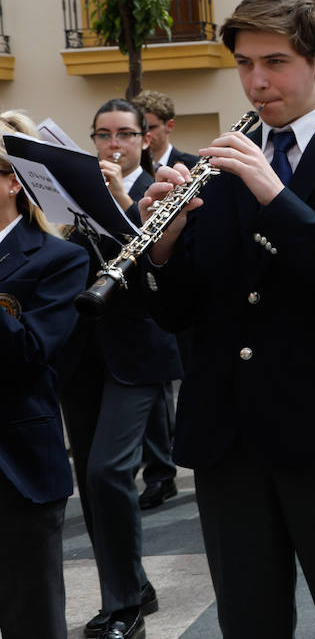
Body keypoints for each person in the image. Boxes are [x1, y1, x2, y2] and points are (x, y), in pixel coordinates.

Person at [138, 0, 315, 637]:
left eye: (275, 63)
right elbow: (179, 315)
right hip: (230, 440)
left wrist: (275, 194)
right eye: (244, 64)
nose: (257, 82)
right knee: (250, 622)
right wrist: (165, 250)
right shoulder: (216, 167)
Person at [61, 98, 181, 639]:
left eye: (126, 134)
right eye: (104, 134)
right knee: (89, 476)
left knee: (109, 469)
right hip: (83, 351)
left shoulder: (162, 187)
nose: (114, 143)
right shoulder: (72, 194)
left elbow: (155, 273)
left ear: (145, 141)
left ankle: (127, 603)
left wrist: (117, 201)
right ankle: (128, 586)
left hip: (140, 351)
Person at [0, 111, 89, 639]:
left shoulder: (57, 259)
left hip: (17, 467)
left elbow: (31, 354)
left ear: (12, 181)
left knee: (30, 617)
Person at [129, 89, 190, 512]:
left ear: (165, 127)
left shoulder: (191, 164)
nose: (144, 137)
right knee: (152, 396)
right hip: (147, 295)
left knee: (162, 392)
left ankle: (163, 468)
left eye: (148, 127)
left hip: (177, 306)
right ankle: (158, 468)